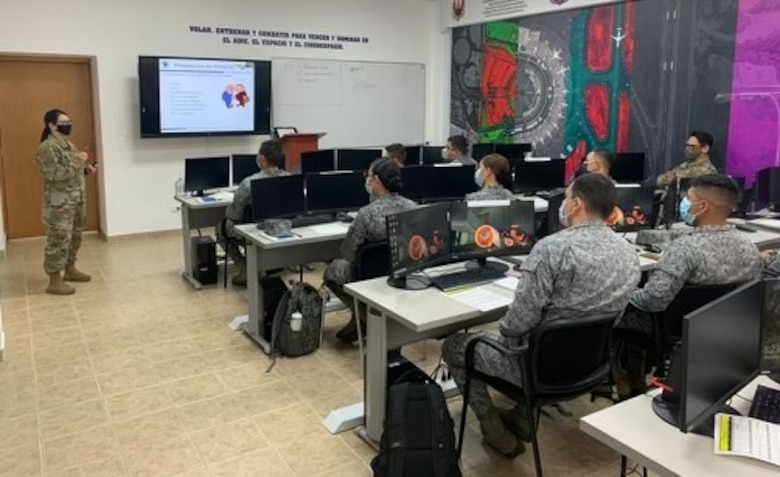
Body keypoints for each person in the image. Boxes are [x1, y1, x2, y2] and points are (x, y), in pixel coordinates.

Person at [442, 173, 641, 458]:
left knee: (455, 345)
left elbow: (516, 325)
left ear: (575, 204)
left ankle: (492, 427)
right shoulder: (628, 252)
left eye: (566, 197)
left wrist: (500, 330)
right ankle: (523, 419)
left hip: (534, 370)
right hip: (589, 366)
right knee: (545, 336)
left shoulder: (552, 248)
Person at [616, 174, 763, 396]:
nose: (684, 204)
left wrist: (624, 293)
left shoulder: (686, 249)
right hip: (723, 329)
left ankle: (631, 388)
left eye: (689, 198)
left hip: (674, 329)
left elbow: (653, 301)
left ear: (702, 206)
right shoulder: (749, 248)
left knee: (621, 313)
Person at [323, 157, 416, 342]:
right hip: (401, 273)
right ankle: (363, 319)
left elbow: (348, 253)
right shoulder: (412, 207)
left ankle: (365, 317)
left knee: (333, 271)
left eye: (369, 176)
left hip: (368, 277)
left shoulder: (367, 214)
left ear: (376, 180)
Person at [36, 109, 96, 295]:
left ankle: (69, 270)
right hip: (59, 205)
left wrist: (86, 170)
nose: (68, 124)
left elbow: (71, 173)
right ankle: (54, 280)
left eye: (70, 120)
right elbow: (53, 175)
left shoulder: (68, 145)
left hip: (75, 200)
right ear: (52, 126)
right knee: (58, 240)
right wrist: (78, 161)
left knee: (74, 237)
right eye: (64, 121)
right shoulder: (47, 148)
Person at [217, 139, 289, 286]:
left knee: (220, 229)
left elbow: (234, 215)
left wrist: (226, 211)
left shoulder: (249, 183)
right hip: (283, 228)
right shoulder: (291, 178)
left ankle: (244, 269)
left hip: (257, 230)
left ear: (261, 158)